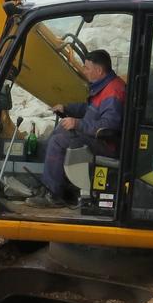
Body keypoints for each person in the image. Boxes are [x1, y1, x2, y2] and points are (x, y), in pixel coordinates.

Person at [29, 49, 127, 209]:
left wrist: (78, 124)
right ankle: (48, 185)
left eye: (87, 68)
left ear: (99, 70)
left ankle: (53, 194)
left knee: (59, 141)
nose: (84, 71)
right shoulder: (104, 87)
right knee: (59, 131)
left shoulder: (114, 92)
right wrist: (66, 109)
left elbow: (109, 126)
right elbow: (89, 110)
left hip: (107, 143)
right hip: (95, 137)